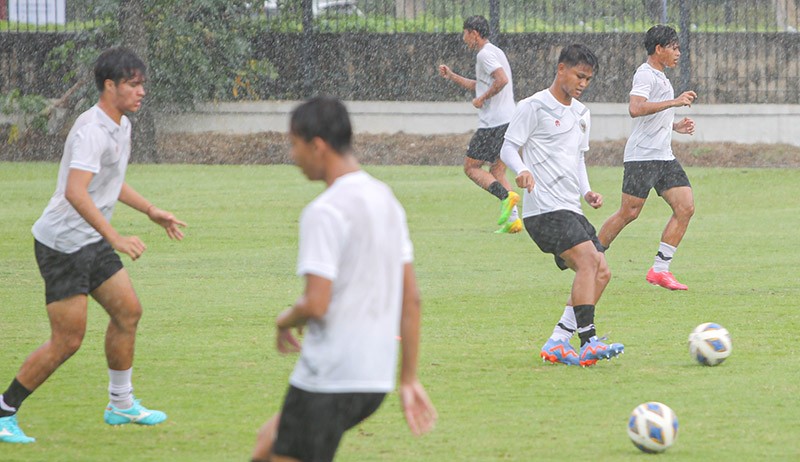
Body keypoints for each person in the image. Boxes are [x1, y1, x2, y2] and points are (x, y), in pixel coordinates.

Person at [0, 47, 186, 444]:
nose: (141, 92)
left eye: (142, 84)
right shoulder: (91, 130)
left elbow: (110, 183)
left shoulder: (121, 126)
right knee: (67, 340)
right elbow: (76, 192)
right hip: (63, 244)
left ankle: (120, 404)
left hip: (90, 237)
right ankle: (4, 410)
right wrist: (115, 236)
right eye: (133, 85)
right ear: (110, 85)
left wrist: (150, 210)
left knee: (128, 312)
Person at [250, 97, 437, 462]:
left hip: (332, 375)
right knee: (266, 444)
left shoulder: (325, 211)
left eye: (294, 144)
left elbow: (316, 304)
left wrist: (284, 319)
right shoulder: (386, 199)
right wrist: (409, 377)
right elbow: (411, 298)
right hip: (374, 379)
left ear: (317, 146)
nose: (292, 155)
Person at [499, 44, 624, 367]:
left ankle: (557, 340)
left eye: (588, 79)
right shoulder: (534, 106)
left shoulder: (582, 114)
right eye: (579, 76)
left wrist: (587, 191)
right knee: (587, 262)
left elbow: (578, 158)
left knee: (602, 271)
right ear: (561, 69)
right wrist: (522, 170)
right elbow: (508, 149)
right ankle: (588, 340)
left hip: (571, 207)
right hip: (542, 209)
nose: (583, 84)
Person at [597, 25, 697, 291]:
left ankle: (660, 270)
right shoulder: (645, 74)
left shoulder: (663, 78)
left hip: (663, 156)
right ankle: (591, 256)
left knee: (685, 207)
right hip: (642, 157)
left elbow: (655, 115)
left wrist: (675, 126)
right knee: (629, 213)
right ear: (658, 49)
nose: (678, 53)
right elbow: (636, 108)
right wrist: (674, 102)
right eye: (674, 48)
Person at [438, 15, 521, 234]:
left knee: (471, 167)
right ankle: (514, 221)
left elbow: (501, 80)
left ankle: (506, 197)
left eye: (465, 33)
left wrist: (482, 99)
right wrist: (453, 76)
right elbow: (481, 84)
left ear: (473, 33)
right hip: (508, 120)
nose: (463, 38)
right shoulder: (495, 51)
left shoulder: (484, 54)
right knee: (497, 170)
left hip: (493, 124)